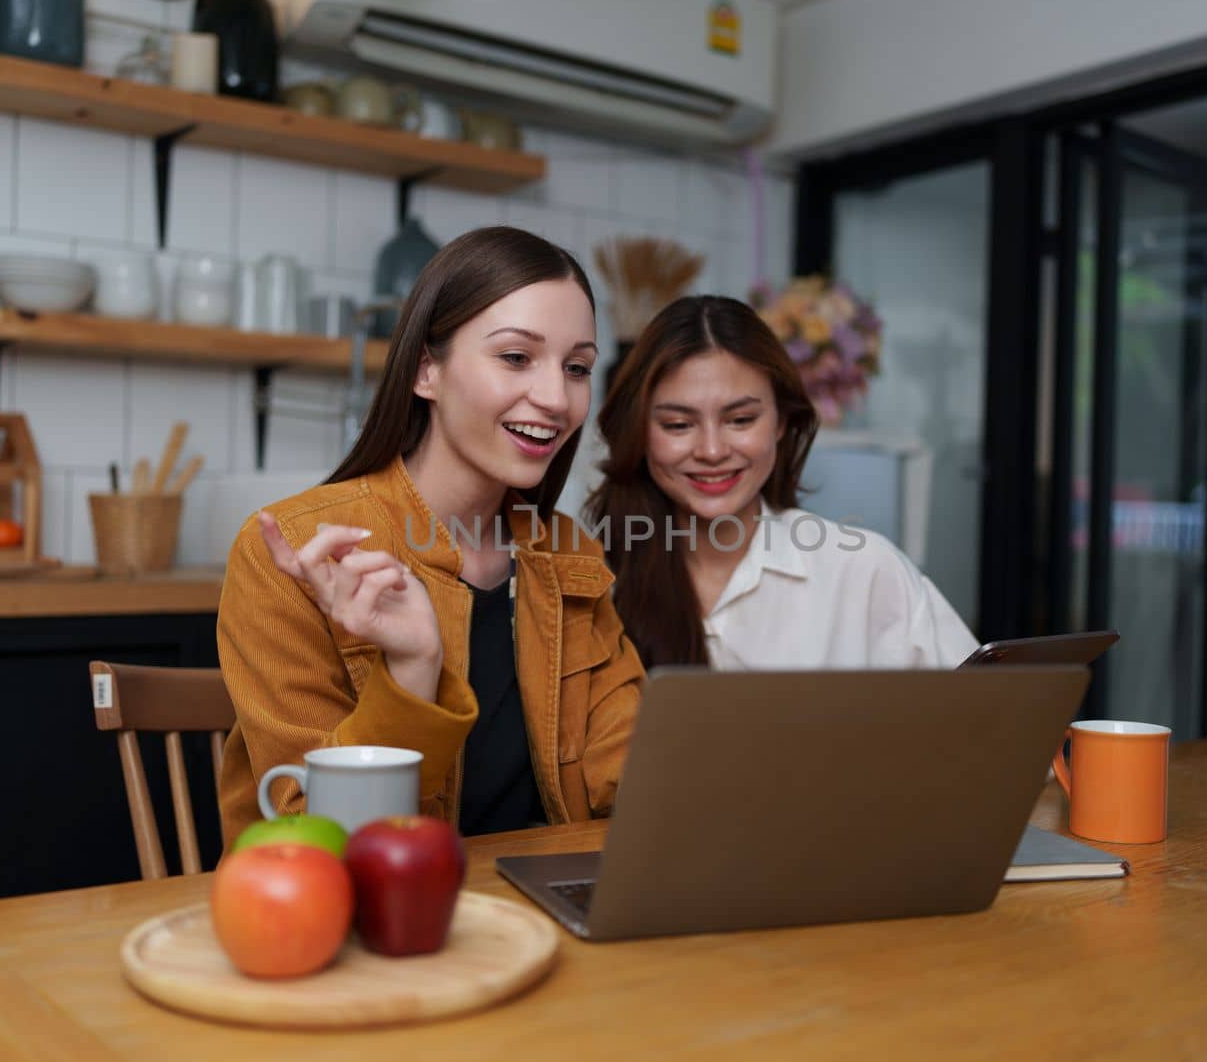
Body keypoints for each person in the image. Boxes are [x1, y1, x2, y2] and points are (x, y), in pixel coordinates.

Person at [217, 227, 644, 844]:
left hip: (535, 905)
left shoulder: (565, 553)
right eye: (516, 358)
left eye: (576, 367)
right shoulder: (292, 551)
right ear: (426, 371)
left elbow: (626, 776)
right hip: (349, 918)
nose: (556, 398)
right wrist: (413, 670)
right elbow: (315, 834)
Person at [587, 294, 977, 671]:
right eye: (678, 425)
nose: (711, 450)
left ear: (781, 422)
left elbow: (987, 715)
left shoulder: (863, 573)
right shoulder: (593, 581)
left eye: (740, 420)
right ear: (639, 431)